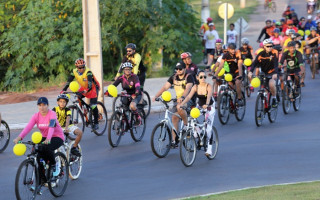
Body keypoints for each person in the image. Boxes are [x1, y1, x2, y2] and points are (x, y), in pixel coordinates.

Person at [13, 97, 64, 184]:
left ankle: (54, 165)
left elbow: (51, 127)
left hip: (57, 136)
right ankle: (42, 180)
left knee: (47, 147)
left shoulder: (52, 114)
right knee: (38, 156)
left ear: (48, 105)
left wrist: (48, 138)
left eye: (44, 105)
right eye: (40, 105)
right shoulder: (36, 116)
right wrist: (19, 137)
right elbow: (28, 127)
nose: (42, 107)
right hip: (44, 137)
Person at [152, 61, 194, 147]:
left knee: (180, 107)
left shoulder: (189, 77)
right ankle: (174, 141)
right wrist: (156, 96)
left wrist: (182, 97)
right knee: (174, 117)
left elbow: (188, 88)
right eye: (177, 69)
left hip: (188, 99)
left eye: (180, 69)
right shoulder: (174, 77)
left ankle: (186, 126)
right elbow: (165, 87)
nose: (178, 71)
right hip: (177, 99)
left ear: (184, 69)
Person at [177, 70, 215, 156]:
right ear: (197, 78)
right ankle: (197, 131)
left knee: (208, 129)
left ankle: (209, 148)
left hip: (209, 107)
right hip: (199, 106)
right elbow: (189, 96)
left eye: (204, 77)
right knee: (191, 117)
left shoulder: (209, 86)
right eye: (201, 77)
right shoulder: (195, 87)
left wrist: (207, 104)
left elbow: (209, 96)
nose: (203, 79)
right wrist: (182, 104)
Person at [61, 58, 100, 130]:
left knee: (93, 105)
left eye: (83, 67)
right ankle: (85, 110)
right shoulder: (74, 72)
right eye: (80, 67)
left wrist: (87, 90)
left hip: (93, 88)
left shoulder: (88, 72)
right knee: (78, 96)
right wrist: (64, 90)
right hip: (84, 87)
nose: (82, 69)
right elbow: (69, 81)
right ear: (77, 68)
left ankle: (96, 123)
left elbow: (90, 84)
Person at [249, 39, 278, 107]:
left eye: (271, 46)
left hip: (272, 72)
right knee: (263, 88)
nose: (270, 48)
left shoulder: (274, 52)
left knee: (271, 84)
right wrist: (250, 71)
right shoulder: (261, 53)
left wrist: (275, 72)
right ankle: (264, 106)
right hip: (263, 72)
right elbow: (255, 63)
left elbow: (276, 63)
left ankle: (274, 98)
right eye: (268, 46)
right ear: (264, 46)